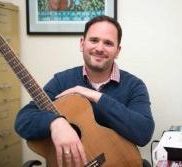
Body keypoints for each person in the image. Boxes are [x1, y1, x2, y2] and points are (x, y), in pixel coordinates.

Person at [15, 15, 155, 166]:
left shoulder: (134, 85)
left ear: (117, 51)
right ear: (82, 43)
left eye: (108, 43)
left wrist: (96, 97)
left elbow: (143, 132)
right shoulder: (62, 80)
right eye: (94, 40)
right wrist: (55, 123)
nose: (99, 48)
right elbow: (24, 119)